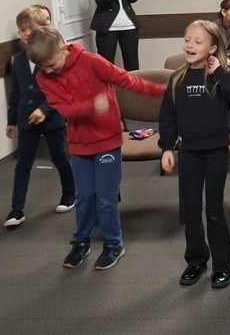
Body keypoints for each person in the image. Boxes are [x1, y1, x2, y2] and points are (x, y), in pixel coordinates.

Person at [26, 26, 165, 271]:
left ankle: (113, 244)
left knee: (105, 198)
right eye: (42, 67)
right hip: (79, 144)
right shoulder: (44, 77)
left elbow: (128, 81)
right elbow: (65, 110)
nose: (47, 71)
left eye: (51, 64)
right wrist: (92, 106)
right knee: (84, 198)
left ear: (63, 48)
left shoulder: (92, 62)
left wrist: (163, 92)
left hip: (107, 140)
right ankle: (81, 242)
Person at [159, 20, 230, 289]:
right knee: (190, 209)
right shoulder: (177, 79)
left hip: (216, 152)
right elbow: (167, 117)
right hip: (189, 152)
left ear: (212, 47)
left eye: (198, 42)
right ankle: (196, 260)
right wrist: (167, 147)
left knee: (214, 209)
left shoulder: (220, 76)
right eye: (187, 40)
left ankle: (223, 266)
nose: (190, 45)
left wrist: (219, 71)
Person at [3, 5, 76, 229]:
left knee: (59, 157)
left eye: (30, 28)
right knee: (23, 164)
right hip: (26, 120)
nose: (25, 33)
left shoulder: (53, 58)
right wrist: (12, 120)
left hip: (52, 118)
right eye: (21, 30)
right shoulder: (18, 59)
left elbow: (60, 90)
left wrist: (44, 110)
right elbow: (15, 92)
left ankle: (69, 194)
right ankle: (17, 209)